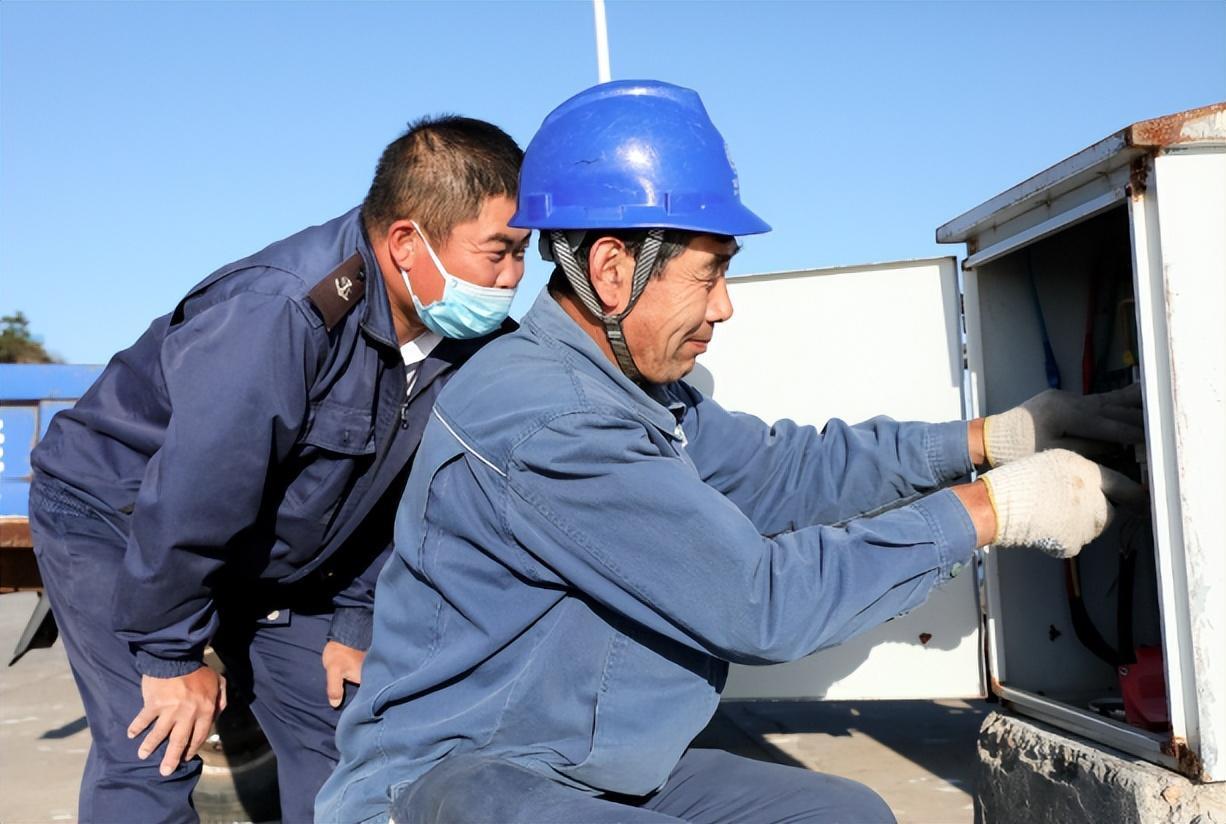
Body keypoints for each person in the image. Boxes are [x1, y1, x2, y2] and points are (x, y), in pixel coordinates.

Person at [317, 81, 1144, 824]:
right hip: (453, 785)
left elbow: (786, 471)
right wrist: (997, 508)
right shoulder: (549, 420)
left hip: (578, 764)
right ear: (612, 270)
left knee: (845, 815)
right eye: (709, 274)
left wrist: (994, 439)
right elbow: (760, 604)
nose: (724, 306)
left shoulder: (631, 391)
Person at [28, 115, 531, 823]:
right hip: (119, 518)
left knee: (350, 734)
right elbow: (198, 491)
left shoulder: (457, 339)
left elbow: (399, 493)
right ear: (406, 242)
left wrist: (355, 617)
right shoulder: (283, 312)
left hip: (260, 546)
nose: (513, 279)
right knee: (157, 745)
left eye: (523, 254)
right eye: (498, 253)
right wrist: (173, 656)